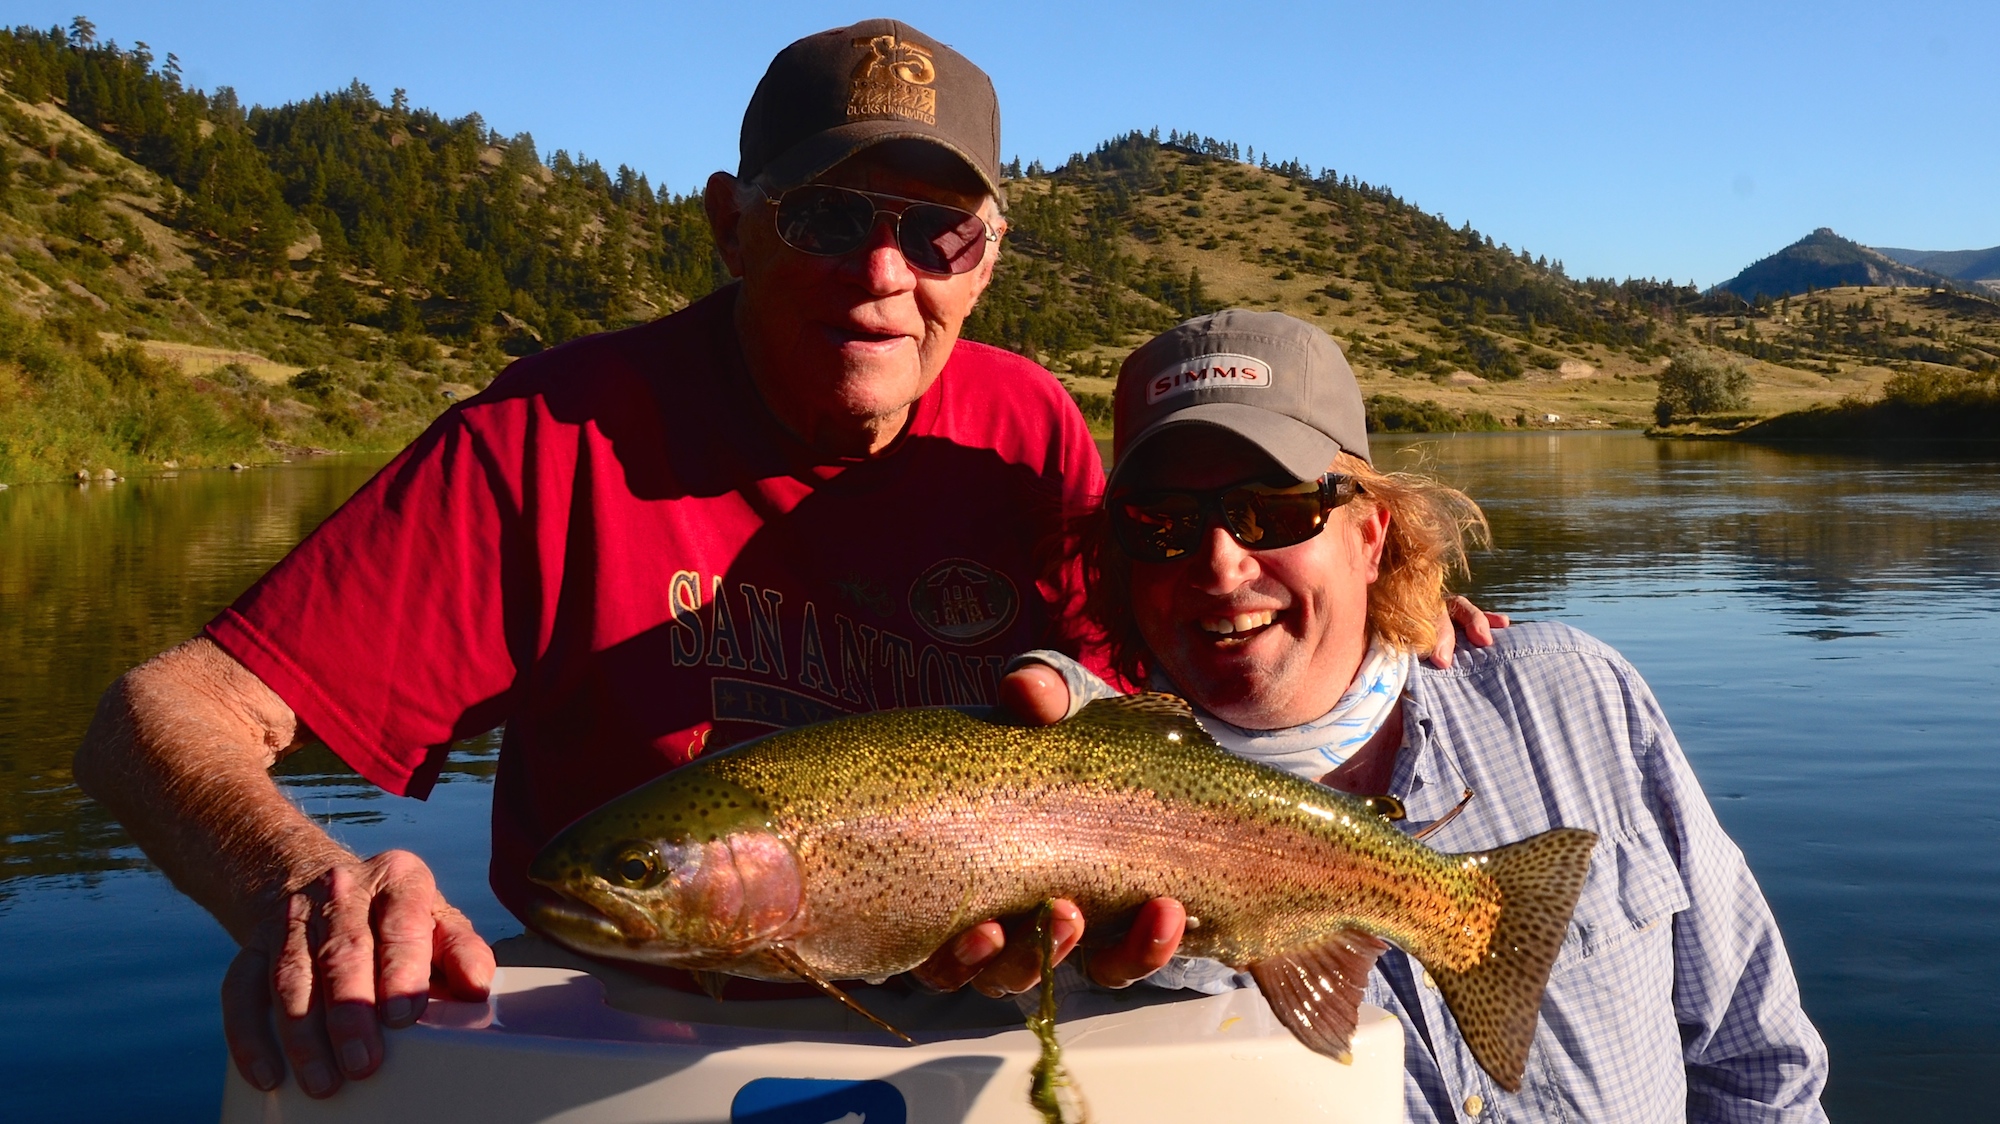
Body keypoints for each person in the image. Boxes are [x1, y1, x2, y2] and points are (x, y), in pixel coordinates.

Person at [70, 19, 1137, 1099]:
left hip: (958, 1039)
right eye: (823, 216)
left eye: (936, 235)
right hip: (629, 1042)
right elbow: (154, 715)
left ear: (986, 259)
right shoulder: (553, 437)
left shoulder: (1028, 429)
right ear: (731, 226)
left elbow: (1124, 731)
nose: (880, 273)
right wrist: (301, 880)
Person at [942, 310, 1830, 1122]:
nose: (1218, 565)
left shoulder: (1575, 698)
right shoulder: (1061, 829)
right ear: (1120, 564)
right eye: (1161, 524)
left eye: (1274, 510)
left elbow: (1758, 1068)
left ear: (1371, 537)